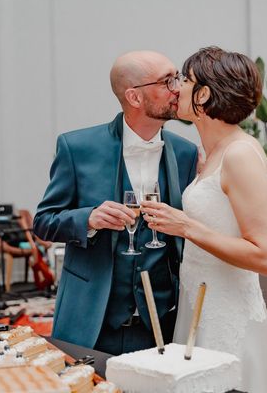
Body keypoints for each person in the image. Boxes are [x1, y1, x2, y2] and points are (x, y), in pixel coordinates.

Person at [33, 51, 198, 355]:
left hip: (162, 324)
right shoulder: (77, 147)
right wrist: (89, 219)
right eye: (167, 81)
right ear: (135, 97)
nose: (178, 88)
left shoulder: (186, 153)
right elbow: (44, 221)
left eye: (177, 77)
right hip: (92, 320)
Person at [141, 46, 267, 392]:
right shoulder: (213, 154)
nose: (176, 88)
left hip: (227, 314)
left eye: (184, 81)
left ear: (203, 94)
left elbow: (266, 256)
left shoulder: (240, 155)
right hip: (198, 303)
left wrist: (186, 226)